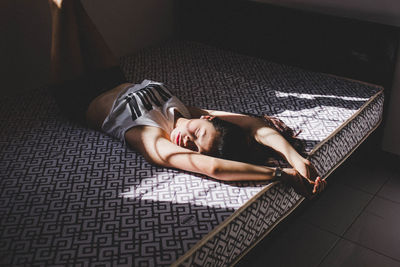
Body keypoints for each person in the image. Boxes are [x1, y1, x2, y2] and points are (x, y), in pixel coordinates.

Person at [48, 0, 326, 199]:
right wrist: (295, 157)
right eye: (197, 133)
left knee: (60, 6)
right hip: (113, 76)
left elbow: (214, 167)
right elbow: (254, 125)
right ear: (206, 118)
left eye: (194, 148)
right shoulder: (187, 111)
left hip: (79, 94)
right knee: (74, 4)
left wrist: (282, 175)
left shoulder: (150, 138)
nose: (187, 141)